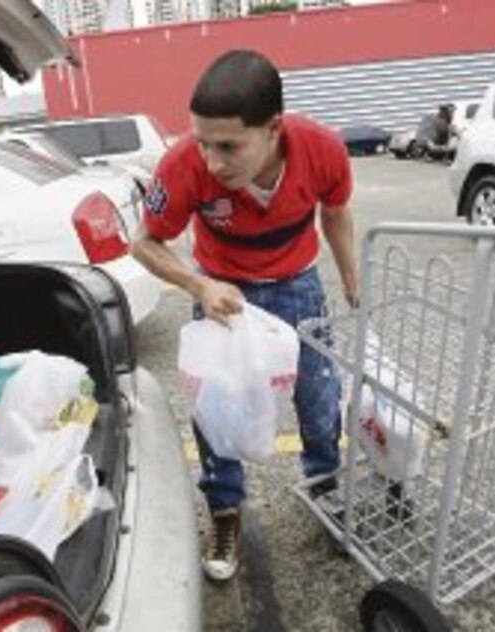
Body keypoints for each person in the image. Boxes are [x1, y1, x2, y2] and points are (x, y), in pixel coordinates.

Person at [130, 50, 358, 582]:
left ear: (274, 128)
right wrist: (198, 283)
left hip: (298, 286)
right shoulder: (184, 164)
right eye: (203, 142)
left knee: (320, 397)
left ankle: (326, 486)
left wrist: (350, 277)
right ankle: (225, 512)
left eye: (228, 146)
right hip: (223, 295)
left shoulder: (322, 148)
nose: (212, 162)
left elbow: (336, 211)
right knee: (218, 409)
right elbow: (145, 243)